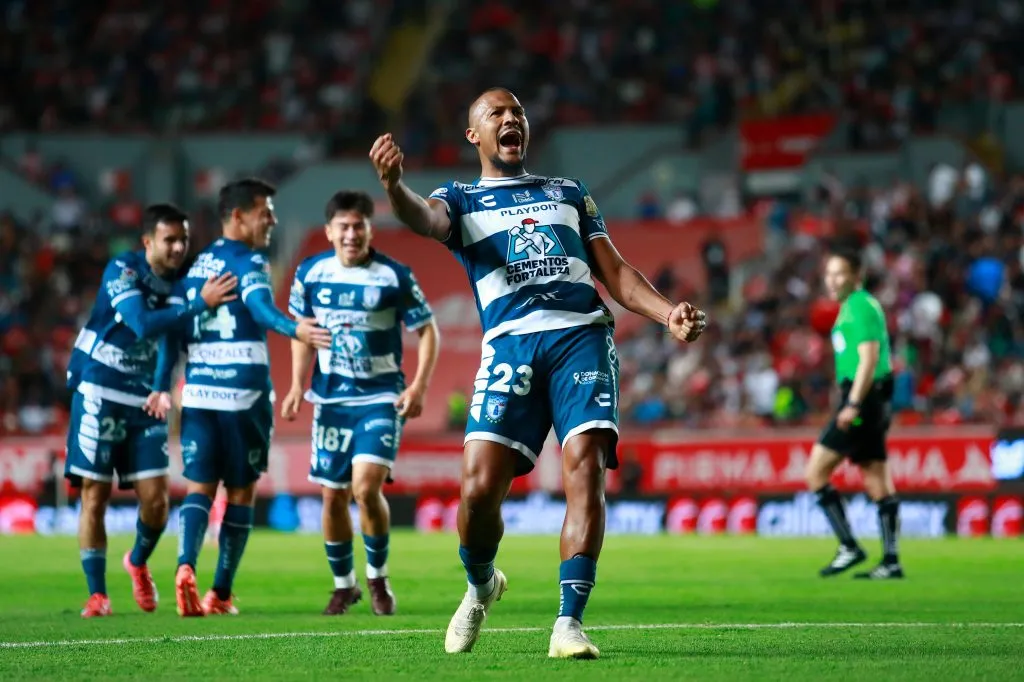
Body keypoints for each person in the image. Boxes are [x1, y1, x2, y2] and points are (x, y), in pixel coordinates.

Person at [369, 87, 706, 659]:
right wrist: (393, 186)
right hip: (511, 349)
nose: (510, 119)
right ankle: (481, 586)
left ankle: (568, 624)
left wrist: (666, 312)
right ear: (474, 135)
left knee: (586, 466)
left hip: (581, 337)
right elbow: (422, 218)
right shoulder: (462, 198)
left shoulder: (569, 193)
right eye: (496, 114)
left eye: (517, 112)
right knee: (477, 491)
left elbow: (617, 274)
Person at [65, 203, 237, 618]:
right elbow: (143, 323)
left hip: (144, 398)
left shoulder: (183, 281)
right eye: (169, 240)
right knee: (95, 494)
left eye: (184, 240)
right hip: (99, 386)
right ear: (147, 242)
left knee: (157, 504)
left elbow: (170, 338)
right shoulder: (123, 271)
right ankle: (97, 595)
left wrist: (161, 388)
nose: (179, 247)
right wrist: (200, 304)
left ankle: (138, 561)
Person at [173, 178, 333, 617]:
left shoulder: (197, 266)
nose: (272, 220)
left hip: (200, 389)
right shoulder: (250, 261)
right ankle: (219, 594)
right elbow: (261, 309)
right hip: (243, 392)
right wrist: (294, 328)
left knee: (199, 487)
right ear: (238, 216)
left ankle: (185, 566)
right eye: (265, 211)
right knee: (241, 492)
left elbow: (180, 327)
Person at [282, 190, 440, 616]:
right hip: (331, 399)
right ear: (330, 230)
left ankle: (377, 578)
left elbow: (428, 330)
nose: (352, 234)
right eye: (344, 227)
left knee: (365, 488)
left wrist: (419, 388)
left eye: (359, 226)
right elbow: (303, 331)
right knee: (332, 496)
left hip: (380, 397)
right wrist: (298, 385)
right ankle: (343, 585)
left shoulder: (393, 276)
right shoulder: (311, 273)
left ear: (370, 229)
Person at [806, 248, 902, 579]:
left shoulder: (860, 306)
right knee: (876, 478)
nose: (831, 281)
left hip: (864, 399)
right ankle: (891, 560)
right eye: (828, 274)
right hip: (871, 398)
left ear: (856, 276)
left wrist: (853, 404)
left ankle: (849, 546)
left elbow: (869, 359)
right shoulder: (852, 307)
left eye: (839, 273)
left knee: (816, 472)